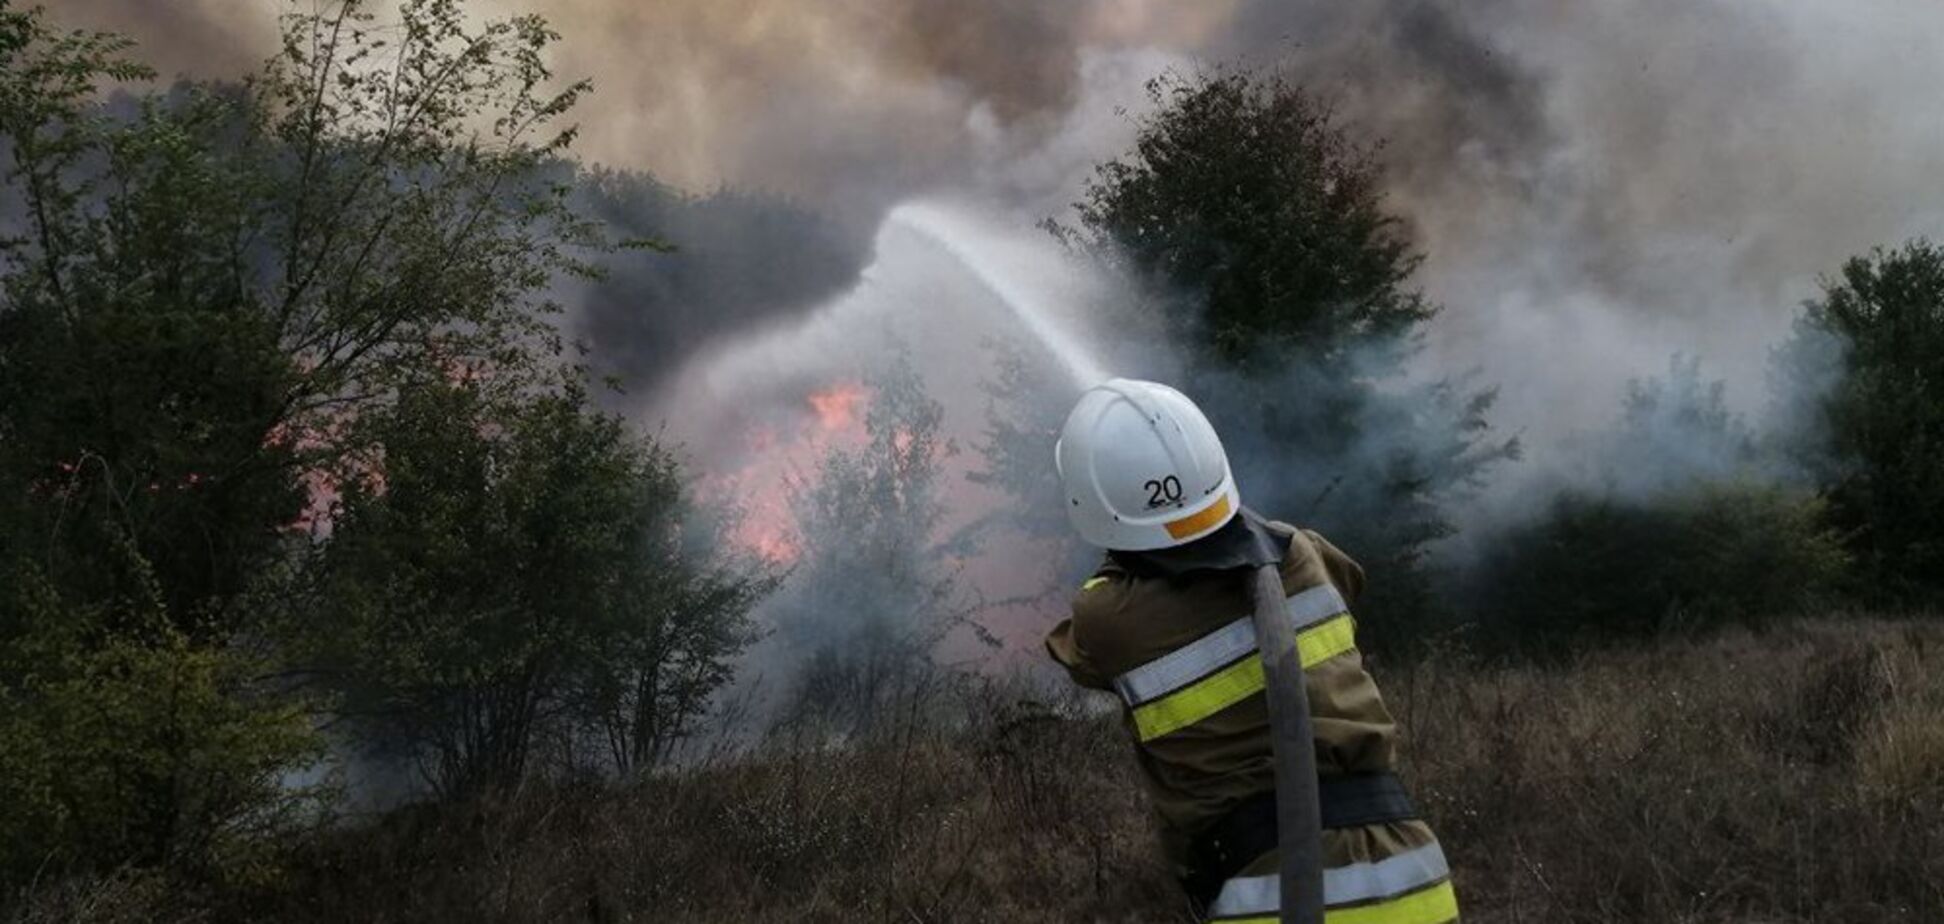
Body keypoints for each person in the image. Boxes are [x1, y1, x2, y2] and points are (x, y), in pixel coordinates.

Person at [1045, 378, 1458, 924]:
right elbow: (1349, 579)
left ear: (1088, 502)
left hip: (1273, 894)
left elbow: (1074, 650)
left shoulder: (1107, 618)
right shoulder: (1301, 551)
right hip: (1414, 872)